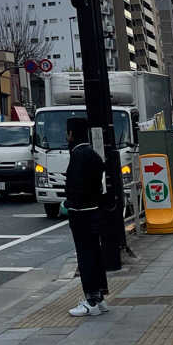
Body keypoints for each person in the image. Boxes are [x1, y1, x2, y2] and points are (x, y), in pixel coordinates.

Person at [63, 116, 109, 317]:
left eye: (68, 132)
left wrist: (69, 203)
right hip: (95, 210)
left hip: (81, 214)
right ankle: (99, 298)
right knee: (95, 253)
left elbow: (75, 187)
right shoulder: (93, 154)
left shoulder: (77, 155)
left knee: (85, 255)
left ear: (71, 134)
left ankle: (90, 299)